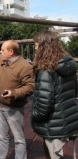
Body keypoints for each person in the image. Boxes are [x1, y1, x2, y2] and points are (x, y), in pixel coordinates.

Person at [31, 31, 78, 159]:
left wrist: (35, 116)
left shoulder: (46, 70)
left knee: (53, 155)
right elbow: (74, 91)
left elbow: (44, 103)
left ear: (44, 46)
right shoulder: (69, 64)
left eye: (36, 45)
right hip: (70, 118)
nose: (35, 48)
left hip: (54, 123)